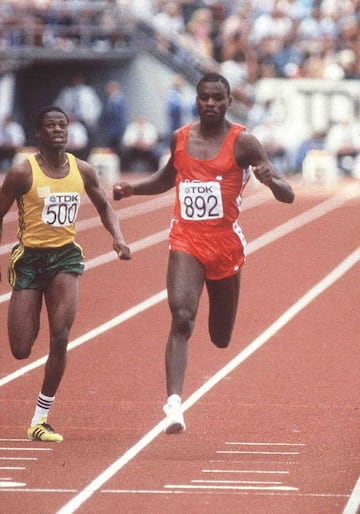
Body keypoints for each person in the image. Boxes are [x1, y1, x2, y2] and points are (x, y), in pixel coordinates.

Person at [112, 73, 294, 434]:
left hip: (225, 244)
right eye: (204, 97)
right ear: (196, 100)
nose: (210, 103)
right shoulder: (181, 138)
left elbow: (287, 194)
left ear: (229, 101)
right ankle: (174, 404)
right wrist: (133, 188)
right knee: (181, 317)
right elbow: (167, 178)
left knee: (221, 337)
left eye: (217, 98)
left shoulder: (244, 143)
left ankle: (183, 387)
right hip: (186, 239)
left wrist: (272, 181)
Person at [0, 106, 131, 442]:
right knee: (21, 349)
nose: (58, 130)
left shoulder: (82, 170)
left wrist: (117, 238)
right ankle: (32, 311)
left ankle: (40, 419)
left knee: (61, 335)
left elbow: (105, 207)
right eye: (50, 125)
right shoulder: (21, 173)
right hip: (29, 261)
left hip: (65, 259)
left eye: (63, 125)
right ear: (38, 134)